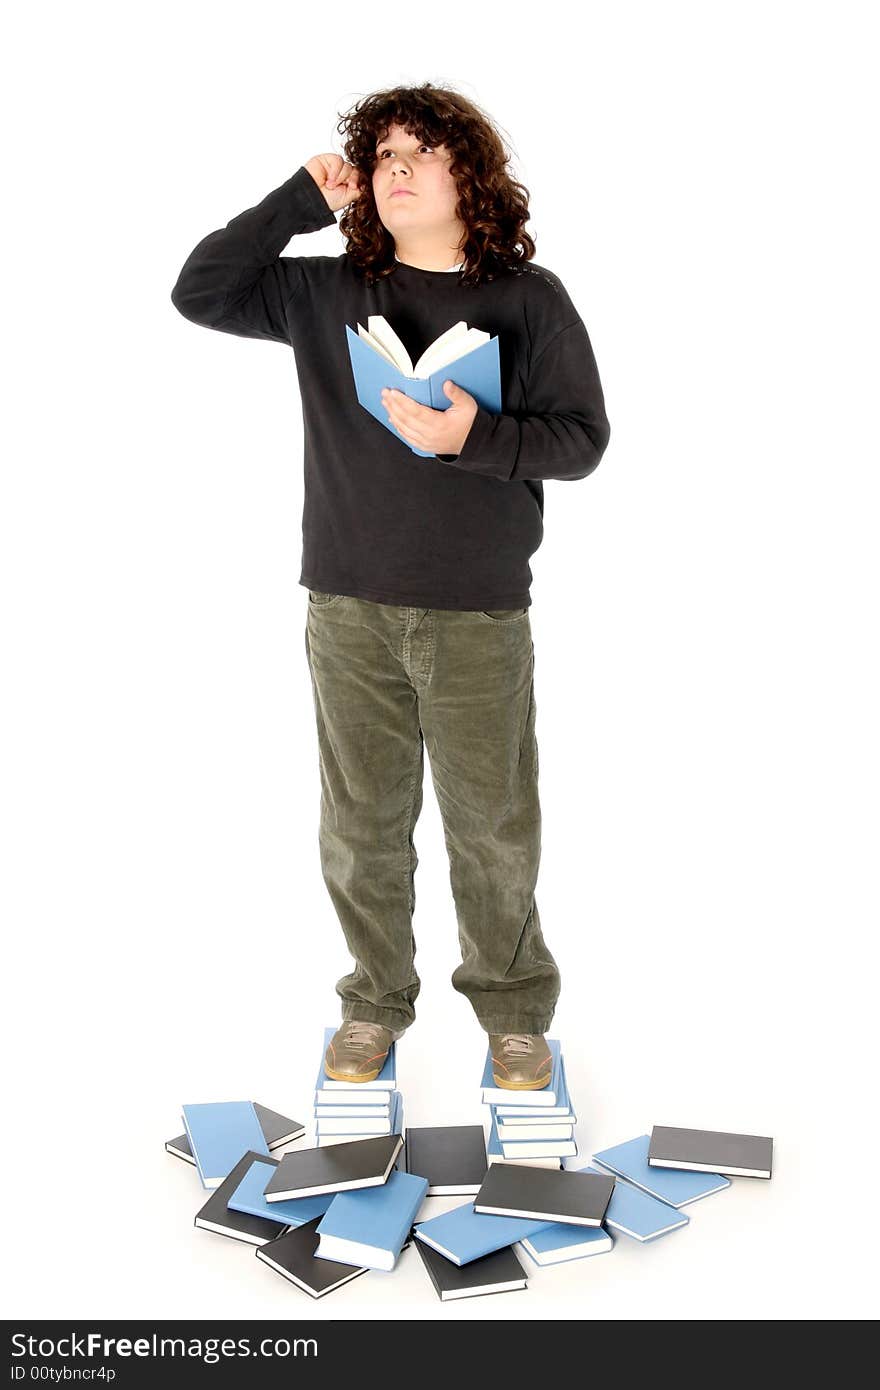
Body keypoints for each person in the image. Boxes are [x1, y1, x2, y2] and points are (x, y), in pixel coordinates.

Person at [170, 83, 611, 1091]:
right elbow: (201, 291)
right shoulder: (324, 292)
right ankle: (372, 1002)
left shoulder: (527, 299)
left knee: (492, 826)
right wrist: (294, 201)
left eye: (421, 151)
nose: (396, 168)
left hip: (476, 610)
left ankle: (512, 1013)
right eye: (381, 156)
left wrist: (475, 437)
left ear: (471, 176)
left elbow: (581, 443)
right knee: (360, 824)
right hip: (346, 603)